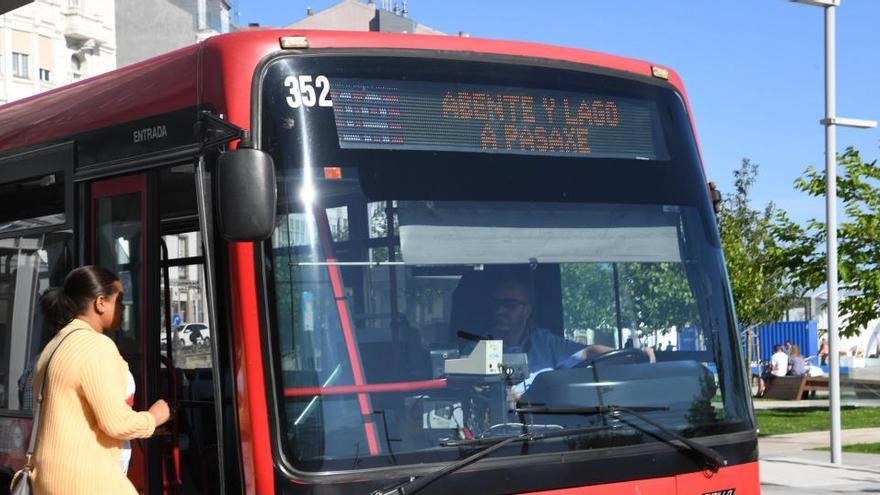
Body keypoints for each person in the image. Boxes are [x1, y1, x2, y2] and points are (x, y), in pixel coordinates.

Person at [29, 265, 170, 494]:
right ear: (100, 302)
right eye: (120, 301)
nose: (124, 308)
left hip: (49, 479)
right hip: (87, 480)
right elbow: (116, 423)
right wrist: (154, 417)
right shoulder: (96, 346)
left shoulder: (54, 345)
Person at [487, 277, 654, 373]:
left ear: (527, 311)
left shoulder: (545, 342)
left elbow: (589, 353)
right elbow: (478, 391)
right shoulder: (478, 349)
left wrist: (635, 356)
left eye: (510, 304)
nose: (500, 310)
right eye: (496, 304)